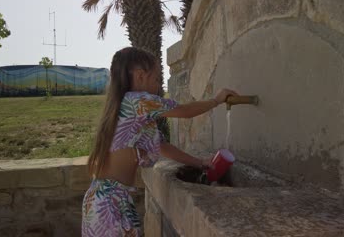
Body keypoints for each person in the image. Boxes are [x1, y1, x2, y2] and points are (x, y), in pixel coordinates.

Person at [81, 47, 238, 236]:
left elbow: (164, 147)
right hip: (110, 206)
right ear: (140, 76)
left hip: (100, 201)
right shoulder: (136, 101)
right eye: (156, 79)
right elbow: (185, 112)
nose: (159, 87)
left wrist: (200, 163)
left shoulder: (128, 111)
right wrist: (216, 100)